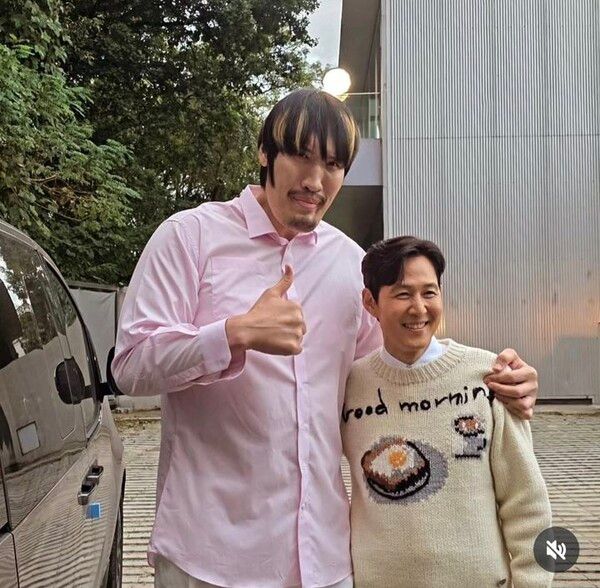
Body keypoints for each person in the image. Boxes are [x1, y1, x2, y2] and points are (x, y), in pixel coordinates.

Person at [112, 88, 540, 588]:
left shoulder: (349, 264)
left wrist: (495, 381)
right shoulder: (190, 237)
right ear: (265, 153)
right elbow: (131, 366)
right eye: (301, 156)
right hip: (212, 555)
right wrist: (234, 333)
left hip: (325, 558)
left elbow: (393, 376)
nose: (315, 181)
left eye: (333, 164)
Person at [342, 236, 552, 588]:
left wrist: (534, 582)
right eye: (403, 294)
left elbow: (527, 501)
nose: (419, 308)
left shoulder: (488, 377)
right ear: (371, 302)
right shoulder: (349, 386)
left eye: (429, 292)